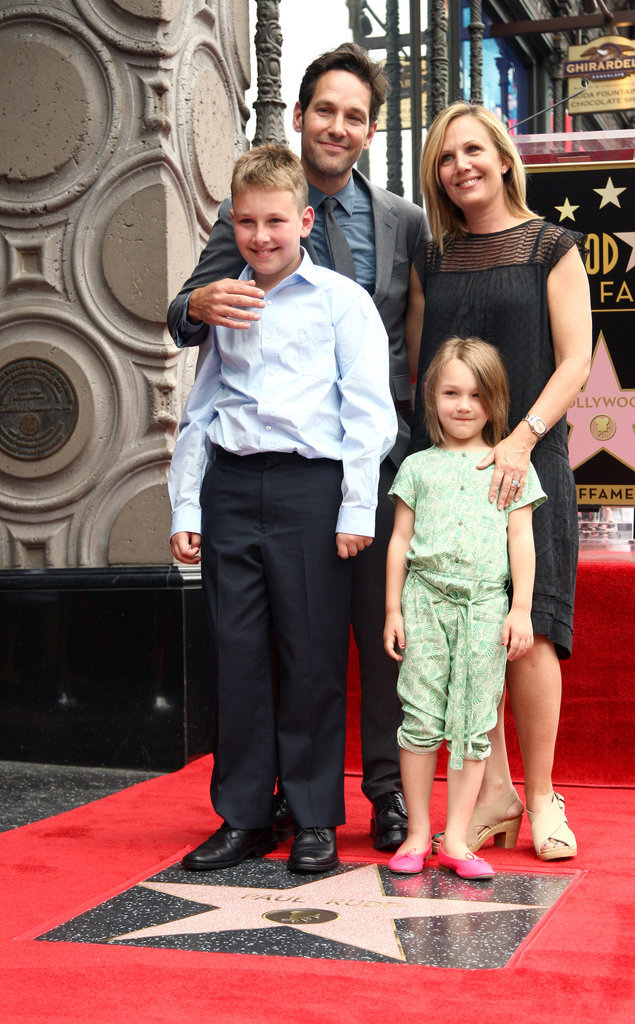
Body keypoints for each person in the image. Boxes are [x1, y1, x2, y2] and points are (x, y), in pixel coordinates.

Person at [167, 42, 431, 852]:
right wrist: (199, 304)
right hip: (244, 481)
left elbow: (407, 354)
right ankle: (251, 809)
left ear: (369, 129)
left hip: (353, 469)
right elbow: (198, 360)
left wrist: (382, 481)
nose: (338, 126)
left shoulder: (399, 223)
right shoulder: (241, 248)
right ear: (301, 115)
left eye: (355, 116)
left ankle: (357, 801)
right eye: (326, 110)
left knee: (346, 643)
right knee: (246, 650)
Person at [408, 102, 592, 861]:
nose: (461, 167)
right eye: (446, 157)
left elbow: (575, 359)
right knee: (465, 636)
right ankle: (493, 792)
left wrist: (518, 440)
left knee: (531, 630)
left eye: (473, 151)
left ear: (503, 156)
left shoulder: (552, 245)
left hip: (530, 462)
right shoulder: (431, 258)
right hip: (452, 476)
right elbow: (422, 371)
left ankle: (543, 795)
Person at [383, 337, 546, 879]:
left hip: (484, 608)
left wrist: (520, 609)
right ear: (432, 398)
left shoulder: (510, 466)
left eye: (476, 395)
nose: (463, 405)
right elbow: (400, 542)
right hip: (425, 602)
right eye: (451, 392)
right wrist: (393, 610)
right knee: (422, 716)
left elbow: (521, 541)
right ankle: (415, 834)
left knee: (475, 721)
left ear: (494, 402)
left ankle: (456, 838)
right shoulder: (417, 467)